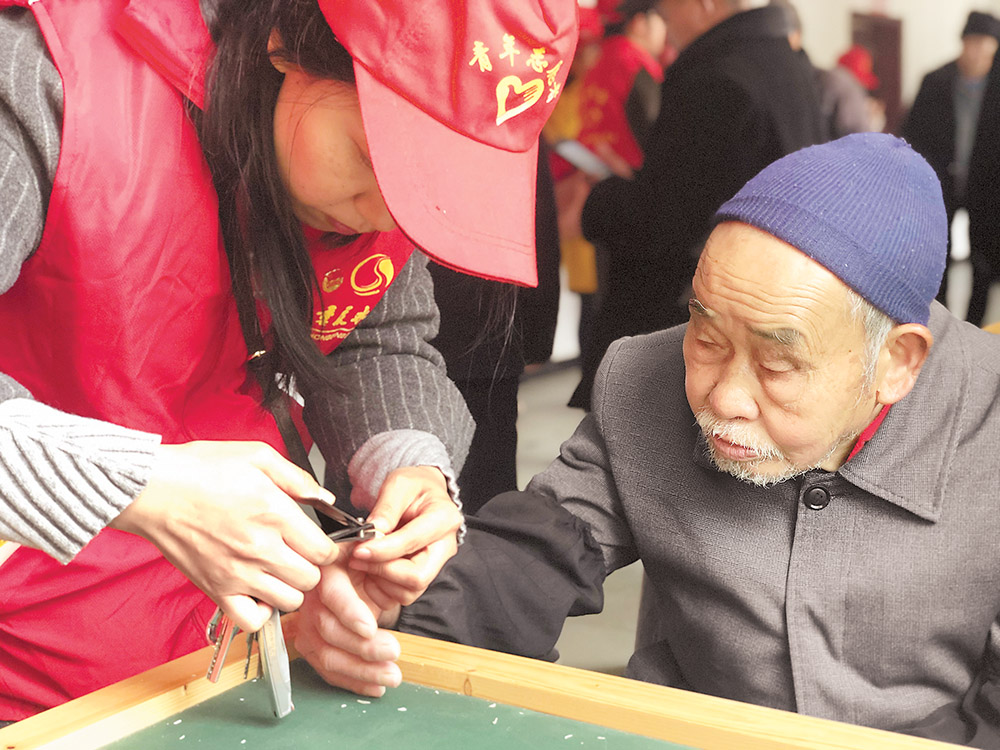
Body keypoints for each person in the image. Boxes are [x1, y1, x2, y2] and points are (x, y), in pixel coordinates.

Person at [296, 134, 1000, 747]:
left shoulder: (988, 418)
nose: (722, 396)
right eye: (707, 335)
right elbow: (538, 551)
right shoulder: (646, 378)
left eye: (778, 365)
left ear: (897, 364)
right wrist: (395, 629)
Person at [0, 0, 577, 720]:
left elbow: (378, 334)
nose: (385, 218)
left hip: (227, 641)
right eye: (371, 161)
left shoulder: (368, 187)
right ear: (287, 40)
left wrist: (407, 466)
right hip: (26, 651)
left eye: (428, 196)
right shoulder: (53, 77)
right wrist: (141, 485)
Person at [570, 0, 825, 410]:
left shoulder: (717, 78)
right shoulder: (783, 63)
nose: (663, 17)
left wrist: (594, 203)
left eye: (667, 5)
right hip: (769, 302)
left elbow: (665, 220)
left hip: (694, 319)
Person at [904, 11, 1000, 321]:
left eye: (985, 45)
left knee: (982, 261)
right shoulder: (936, 82)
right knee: (936, 256)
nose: (976, 52)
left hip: (987, 187)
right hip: (939, 183)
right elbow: (913, 133)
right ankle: (938, 319)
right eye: (971, 43)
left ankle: (973, 326)